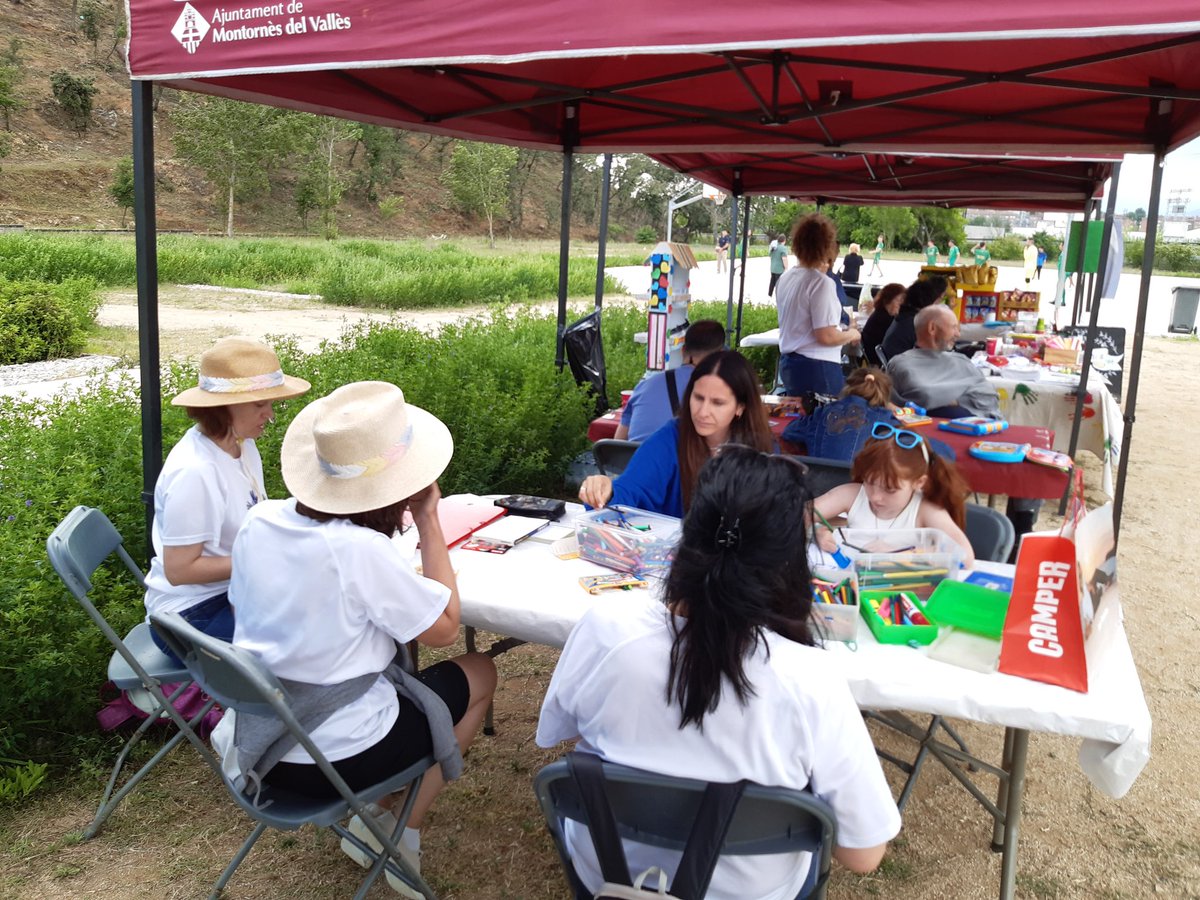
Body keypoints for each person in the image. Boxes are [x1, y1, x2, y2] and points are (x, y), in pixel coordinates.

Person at [540, 447, 901, 898]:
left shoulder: (605, 628)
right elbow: (862, 854)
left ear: (685, 538)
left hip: (605, 876)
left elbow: (562, 731)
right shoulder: (810, 679)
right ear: (790, 563)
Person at [219, 381, 497, 898]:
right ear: (400, 486)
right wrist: (428, 519)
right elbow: (445, 629)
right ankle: (401, 828)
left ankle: (380, 814)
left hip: (265, 745)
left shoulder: (259, 521)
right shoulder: (360, 549)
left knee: (394, 676)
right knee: (481, 671)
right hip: (336, 761)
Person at [144, 336, 310, 663]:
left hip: (232, 589)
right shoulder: (195, 471)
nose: (270, 415)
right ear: (224, 407)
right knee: (314, 635)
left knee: (329, 601)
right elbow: (179, 570)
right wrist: (263, 559)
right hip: (189, 616)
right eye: (260, 405)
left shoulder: (241, 444)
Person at [579, 350, 773, 517]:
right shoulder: (670, 439)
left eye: (717, 403)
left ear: (740, 407)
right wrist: (605, 491)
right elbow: (631, 489)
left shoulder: (761, 448)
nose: (703, 412)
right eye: (698, 398)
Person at [813, 422, 975, 566]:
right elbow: (800, 512)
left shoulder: (924, 511)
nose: (875, 496)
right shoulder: (851, 495)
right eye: (869, 482)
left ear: (919, 482)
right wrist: (817, 531)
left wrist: (901, 555)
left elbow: (965, 557)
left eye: (889, 490)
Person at [774, 213, 861, 396]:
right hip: (818, 367)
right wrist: (851, 334)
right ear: (827, 247)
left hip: (790, 364)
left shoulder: (785, 278)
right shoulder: (821, 283)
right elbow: (826, 336)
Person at [615, 320, 726, 442]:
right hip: (681, 454)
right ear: (721, 355)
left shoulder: (644, 386)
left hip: (636, 453)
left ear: (683, 350)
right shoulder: (720, 392)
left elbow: (618, 442)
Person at [886, 304, 1001, 418]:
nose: (958, 334)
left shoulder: (961, 360)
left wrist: (952, 401)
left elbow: (990, 396)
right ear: (932, 328)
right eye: (953, 327)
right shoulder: (901, 365)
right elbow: (921, 396)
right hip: (925, 426)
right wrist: (964, 398)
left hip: (978, 425)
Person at [878, 275, 947, 363]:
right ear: (929, 302)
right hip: (902, 367)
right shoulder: (916, 323)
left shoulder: (904, 317)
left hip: (896, 364)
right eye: (938, 300)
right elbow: (932, 353)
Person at [860, 282, 905, 366]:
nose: (901, 304)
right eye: (898, 300)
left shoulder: (880, 313)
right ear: (888, 300)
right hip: (878, 360)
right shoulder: (884, 318)